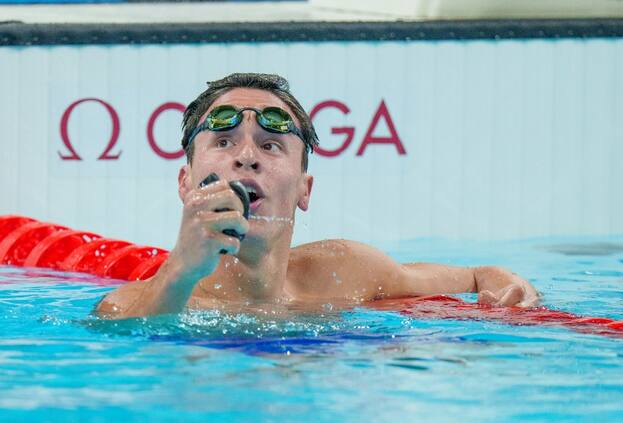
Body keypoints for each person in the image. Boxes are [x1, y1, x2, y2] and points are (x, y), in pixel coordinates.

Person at [96, 73, 539, 319]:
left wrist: (499, 278)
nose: (247, 156)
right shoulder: (128, 306)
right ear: (185, 184)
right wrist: (180, 272)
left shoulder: (345, 273)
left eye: (271, 146)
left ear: (305, 190)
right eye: (225, 141)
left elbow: (476, 277)